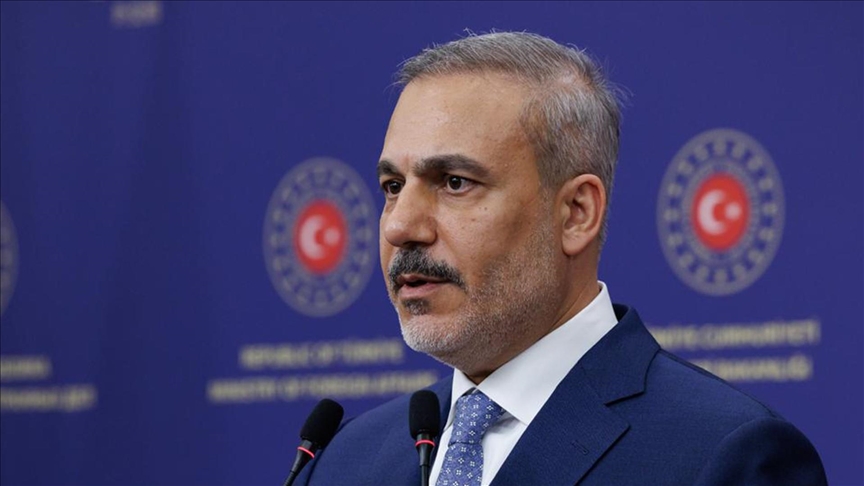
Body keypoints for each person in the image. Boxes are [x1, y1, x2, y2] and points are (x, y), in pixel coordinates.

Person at [296, 31, 827, 485]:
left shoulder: (724, 456)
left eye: (454, 182)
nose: (399, 226)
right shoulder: (343, 461)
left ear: (576, 213)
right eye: (393, 186)